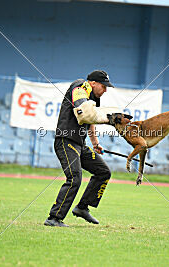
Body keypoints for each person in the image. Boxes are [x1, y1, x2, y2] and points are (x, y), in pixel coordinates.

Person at [45, 70, 115, 227]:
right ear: (93, 83)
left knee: (103, 172)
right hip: (66, 141)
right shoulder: (79, 87)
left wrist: (95, 143)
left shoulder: (93, 98)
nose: (105, 90)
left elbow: (90, 121)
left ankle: (82, 207)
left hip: (79, 145)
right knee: (75, 177)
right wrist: (110, 120)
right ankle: (54, 218)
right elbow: (84, 114)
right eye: (104, 86)